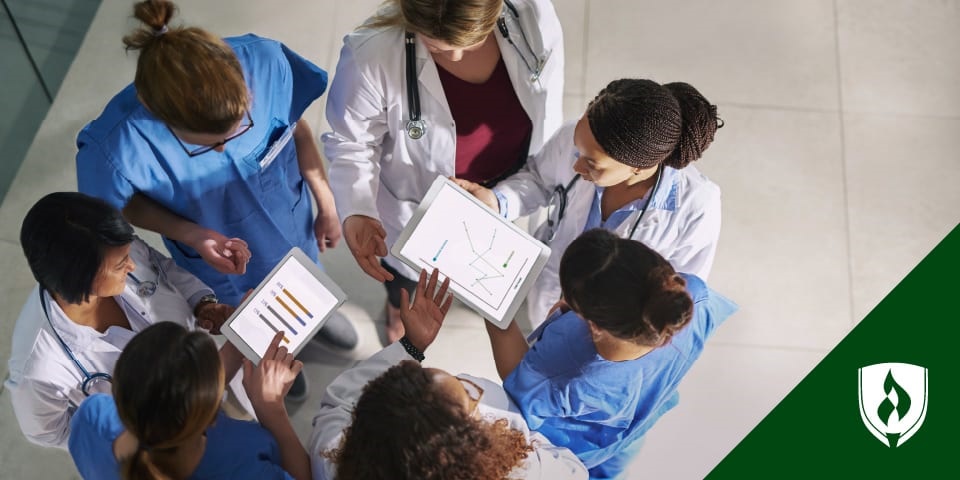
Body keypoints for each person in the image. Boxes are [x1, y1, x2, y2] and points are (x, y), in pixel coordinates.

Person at [74, 0, 358, 397]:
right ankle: (275, 350)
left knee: (308, 275)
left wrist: (325, 200)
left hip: (290, 219)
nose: (228, 149)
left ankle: (313, 319)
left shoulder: (266, 62)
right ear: (159, 114)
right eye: (211, 144)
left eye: (238, 129)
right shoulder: (117, 146)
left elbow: (294, 128)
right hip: (217, 258)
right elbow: (121, 204)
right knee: (250, 314)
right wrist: (190, 234)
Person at [324, 0, 565, 343]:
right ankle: (397, 307)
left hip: (512, 181)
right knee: (409, 277)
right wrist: (357, 208)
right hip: (419, 203)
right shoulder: (371, 55)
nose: (454, 57)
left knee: (485, 263)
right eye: (436, 45)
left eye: (472, 42)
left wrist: (505, 197)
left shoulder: (531, 13)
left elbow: (548, 93)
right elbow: (352, 143)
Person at [456, 78, 724, 327]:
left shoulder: (696, 205)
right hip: (547, 289)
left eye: (592, 164)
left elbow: (682, 292)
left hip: (611, 328)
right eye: (578, 150)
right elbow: (539, 179)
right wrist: (497, 201)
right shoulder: (575, 136)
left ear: (639, 168)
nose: (576, 165)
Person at [485, 229, 738, 479]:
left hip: (567, 448)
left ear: (594, 325)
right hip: (631, 430)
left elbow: (515, 377)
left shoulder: (567, 363)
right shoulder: (692, 296)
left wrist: (493, 309)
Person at [309, 269, 587, 480]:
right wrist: (522, 441)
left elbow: (340, 401)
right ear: (464, 447)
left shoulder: (335, 455)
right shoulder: (518, 470)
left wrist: (411, 345)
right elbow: (574, 471)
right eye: (470, 396)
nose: (471, 386)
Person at [5, 192, 232, 449]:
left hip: (217, 375)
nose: (132, 266)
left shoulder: (119, 248)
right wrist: (128, 441)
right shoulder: (39, 369)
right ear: (80, 278)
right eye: (121, 264)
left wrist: (201, 303)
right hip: (168, 443)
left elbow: (163, 268)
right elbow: (48, 433)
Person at [68, 322, 310, 480]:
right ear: (211, 417)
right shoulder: (246, 457)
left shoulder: (91, 419)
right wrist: (270, 407)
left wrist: (237, 345)